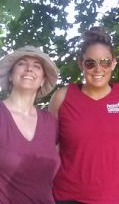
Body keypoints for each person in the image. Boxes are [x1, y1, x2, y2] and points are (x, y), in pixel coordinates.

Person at [49, 26, 119, 204]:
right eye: (90, 63)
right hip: (68, 197)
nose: (98, 69)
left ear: (114, 62)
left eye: (105, 61)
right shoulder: (62, 97)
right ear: (80, 63)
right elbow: (49, 147)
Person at [0, 46, 60, 204]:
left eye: (36, 66)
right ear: (11, 76)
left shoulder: (51, 123)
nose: (29, 69)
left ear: (42, 80)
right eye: (22, 63)